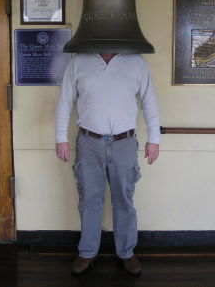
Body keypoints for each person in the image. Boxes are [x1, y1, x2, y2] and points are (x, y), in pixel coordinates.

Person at [55, 52, 160, 275]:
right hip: (89, 141)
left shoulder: (137, 62)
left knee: (124, 199)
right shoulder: (78, 61)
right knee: (89, 199)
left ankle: (126, 252)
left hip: (125, 142)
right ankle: (87, 252)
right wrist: (61, 139)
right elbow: (65, 100)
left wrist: (154, 140)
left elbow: (149, 101)